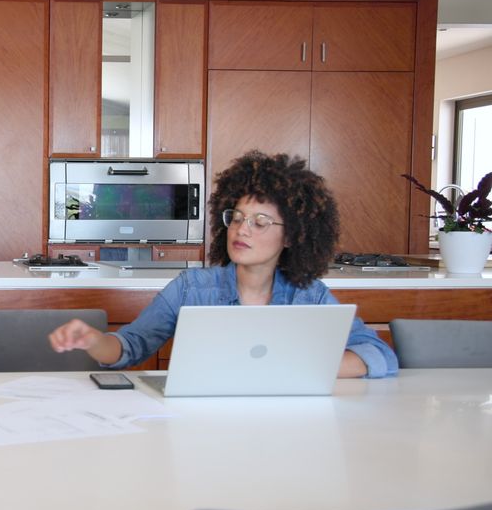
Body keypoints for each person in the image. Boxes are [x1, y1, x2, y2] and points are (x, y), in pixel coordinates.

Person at [49, 150, 398, 378]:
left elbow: (379, 354)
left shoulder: (311, 297)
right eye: (237, 218)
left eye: (260, 222)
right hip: (199, 423)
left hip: (285, 426)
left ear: (291, 236)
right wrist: (94, 340)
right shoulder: (191, 289)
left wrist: (309, 368)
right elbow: (130, 346)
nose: (241, 230)